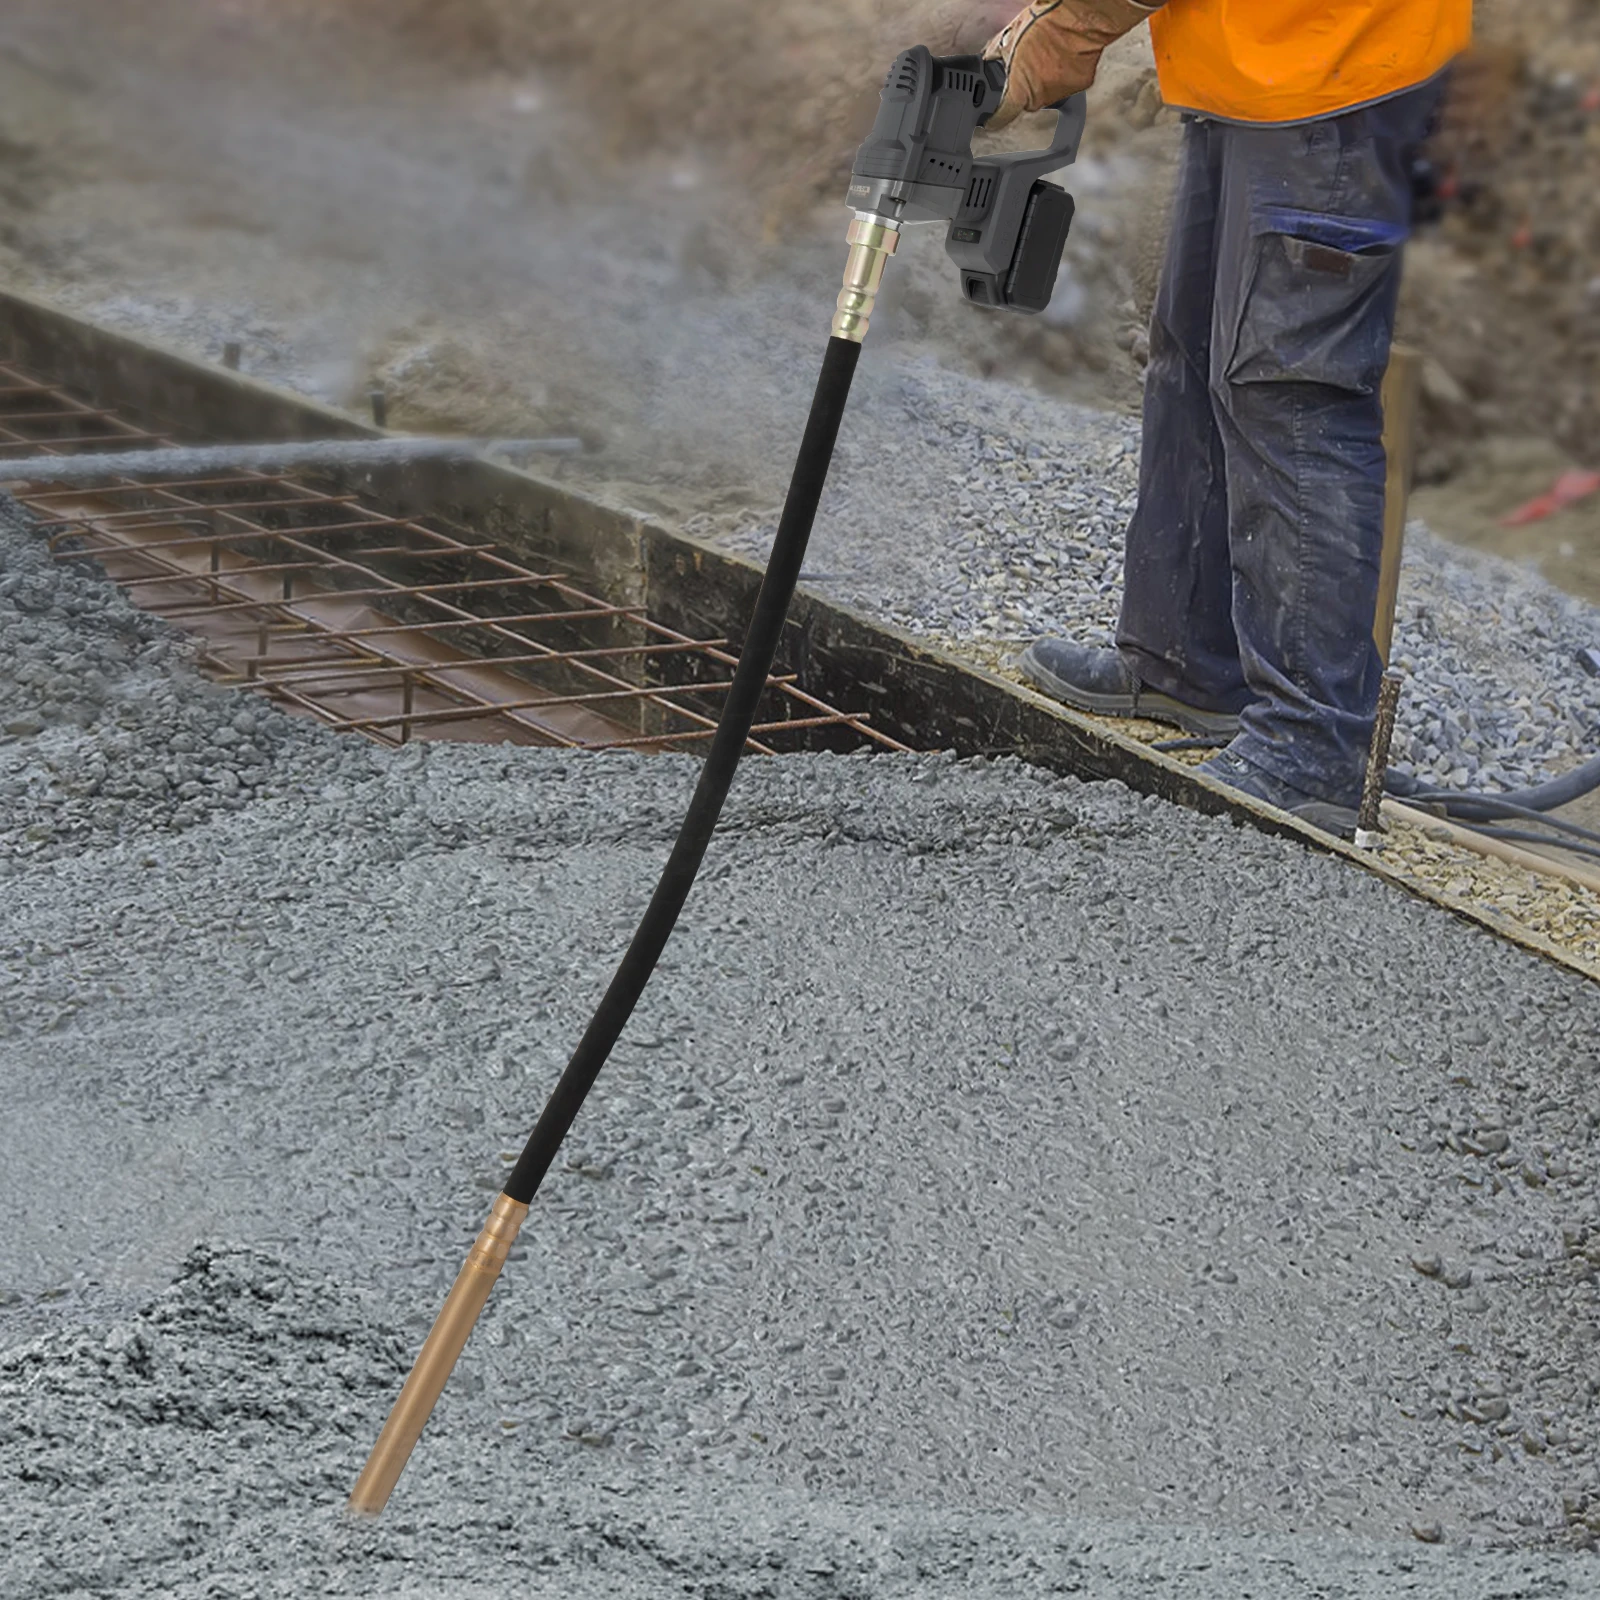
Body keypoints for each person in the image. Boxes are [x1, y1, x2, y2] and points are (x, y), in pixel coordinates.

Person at [978, 0, 1472, 835]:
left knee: (1292, 388)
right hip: (1256, 67)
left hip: (1335, 74)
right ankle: (1187, 665)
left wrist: (1071, 27)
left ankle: (1313, 744)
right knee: (1195, 356)